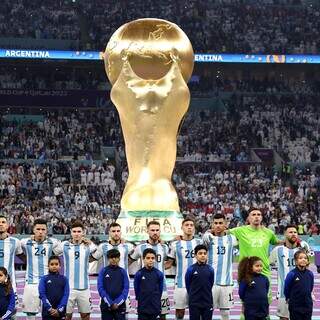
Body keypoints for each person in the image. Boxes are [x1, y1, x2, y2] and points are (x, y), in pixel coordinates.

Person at [21, 219, 61, 320]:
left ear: (46, 231)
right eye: (38, 229)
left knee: (50, 312)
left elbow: (66, 247)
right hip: (31, 283)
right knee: (30, 314)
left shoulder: (53, 242)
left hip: (48, 282)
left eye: (43, 229)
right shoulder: (25, 242)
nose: (40, 231)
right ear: (33, 230)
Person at [56, 220, 96, 320]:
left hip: (84, 288)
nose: (76, 234)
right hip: (68, 289)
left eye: (79, 231)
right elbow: (52, 250)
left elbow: (97, 251)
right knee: (66, 316)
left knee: (86, 316)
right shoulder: (64, 245)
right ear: (71, 232)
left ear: (83, 232)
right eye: (74, 231)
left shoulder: (89, 245)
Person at [269, 225, 311, 320]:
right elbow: (268, 263)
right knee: (284, 318)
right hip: (284, 292)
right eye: (290, 232)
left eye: (295, 232)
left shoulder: (303, 249)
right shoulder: (277, 250)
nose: (293, 234)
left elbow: (309, 264)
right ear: (285, 234)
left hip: (301, 292)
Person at [129, 220, 169, 319]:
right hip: (144, 290)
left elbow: (170, 262)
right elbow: (129, 261)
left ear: (160, 231)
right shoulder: (140, 247)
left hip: (161, 288)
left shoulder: (165, 247)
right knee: (143, 315)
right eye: (152, 230)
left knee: (163, 316)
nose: (155, 232)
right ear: (147, 231)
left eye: (157, 230)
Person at [165, 218, 202, 320]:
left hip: (197, 284)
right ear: (182, 227)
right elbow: (169, 263)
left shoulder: (200, 242)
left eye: (191, 225)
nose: (189, 227)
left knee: (197, 311)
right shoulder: (175, 244)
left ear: (194, 228)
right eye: (187, 225)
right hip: (180, 283)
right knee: (180, 313)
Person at [202, 213, 237, 320]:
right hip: (210, 283)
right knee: (207, 312)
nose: (218, 225)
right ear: (212, 225)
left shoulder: (232, 238)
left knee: (225, 314)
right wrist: (207, 232)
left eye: (220, 223)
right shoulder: (208, 238)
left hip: (227, 283)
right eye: (215, 223)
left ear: (225, 224)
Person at [229, 208, 281, 278]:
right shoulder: (240, 231)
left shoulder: (269, 232)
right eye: (253, 215)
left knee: (265, 289)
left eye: (258, 215)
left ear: (261, 218)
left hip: (264, 271)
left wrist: (289, 239)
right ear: (248, 218)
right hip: (246, 272)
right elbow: (225, 232)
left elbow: (276, 242)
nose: (256, 216)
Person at [97, 249, 129, 320]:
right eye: (112, 257)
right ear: (108, 259)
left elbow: (126, 289)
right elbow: (100, 288)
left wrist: (117, 303)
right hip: (106, 305)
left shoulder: (123, 272)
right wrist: (110, 303)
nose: (114, 259)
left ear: (119, 259)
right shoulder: (103, 271)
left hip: (120, 306)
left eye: (116, 257)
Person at [185, 244, 214, 320]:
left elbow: (211, 283)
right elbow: (188, 285)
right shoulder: (190, 269)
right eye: (200, 253)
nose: (203, 255)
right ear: (195, 255)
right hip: (194, 303)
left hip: (207, 302)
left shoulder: (210, 269)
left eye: (205, 253)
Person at [134, 248, 164, 320]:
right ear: (143, 259)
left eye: (152, 258)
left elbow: (160, 290)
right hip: (142, 308)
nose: (150, 260)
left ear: (155, 259)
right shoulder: (139, 274)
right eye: (148, 258)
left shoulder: (159, 274)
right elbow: (136, 290)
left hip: (155, 308)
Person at [284, 250, 314, 320]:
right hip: (295, 306)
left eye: (305, 258)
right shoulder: (291, 274)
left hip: (307, 305)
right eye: (300, 258)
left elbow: (310, 287)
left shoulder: (310, 274)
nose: (303, 260)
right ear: (296, 261)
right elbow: (286, 288)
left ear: (308, 261)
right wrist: (288, 298)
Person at [38, 255, 70, 320]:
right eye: (52, 264)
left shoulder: (64, 279)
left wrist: (59, 309)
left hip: (60, 312)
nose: (54, 266)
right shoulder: (44, 279)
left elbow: (66, 295)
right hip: (47, 311)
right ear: (48, 266)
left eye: (56, 264)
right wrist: (49, 308)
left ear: (60, 266)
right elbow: (42, 294)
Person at [0, 215, 23, 295]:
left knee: (9, 307)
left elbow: (21, 255)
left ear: (7, 225)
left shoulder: (15, 242)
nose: (1, 224)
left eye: (3, 222)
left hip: (9, 284)